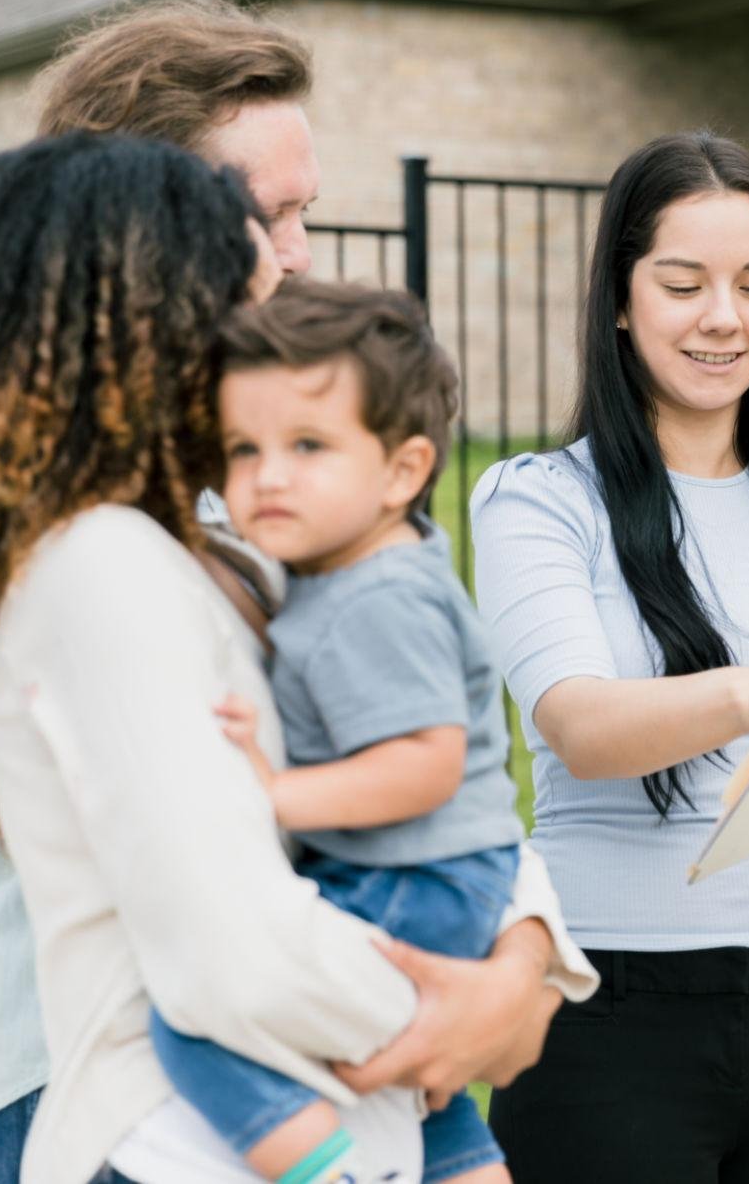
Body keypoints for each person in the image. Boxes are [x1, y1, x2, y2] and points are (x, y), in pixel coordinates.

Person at [0, 0, 586, 1183]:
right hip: (76, 1085)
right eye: (264, 216)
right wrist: (448, 1009)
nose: (299, 252)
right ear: (138, 233)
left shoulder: (283, 482)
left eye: (305, 208)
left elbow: (432, 741)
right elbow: (210, 905)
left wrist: (520, 961)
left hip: (287, 1058)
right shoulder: (71, 533)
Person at [472, 132, 749, 1181]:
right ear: (620, 302)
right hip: (605, 1020)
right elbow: (580, 728)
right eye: (684, 284)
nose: (724, 317)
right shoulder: (540, 502)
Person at [150, 278, 519, 1184]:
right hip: (435, 878)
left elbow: (425, 764)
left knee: (197, 1010)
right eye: (245, 448)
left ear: (402, 469)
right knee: (420, 1088)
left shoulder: (377, 598)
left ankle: (323, 1171)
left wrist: (274, 791)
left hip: (415, 882)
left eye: (308, 445)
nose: (268, 475)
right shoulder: (352, 571)